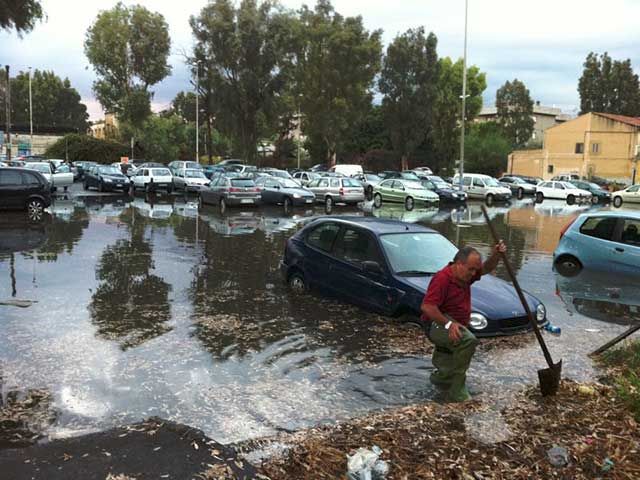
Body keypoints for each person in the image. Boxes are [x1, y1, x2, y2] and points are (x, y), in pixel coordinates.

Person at [421, 242, 506, 402]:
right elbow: (427, 307)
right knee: (468, 341)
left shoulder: (465, 275)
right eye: (471, 269)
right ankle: (457, 389)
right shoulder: (442, 279)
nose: (474, 273)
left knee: (448, 357)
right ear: (459, 264)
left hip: (455, 323)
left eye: (475, 269)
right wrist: (448, 324)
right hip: (435, 324)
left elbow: (486, 268)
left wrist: (496, 255)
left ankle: (441, 379)